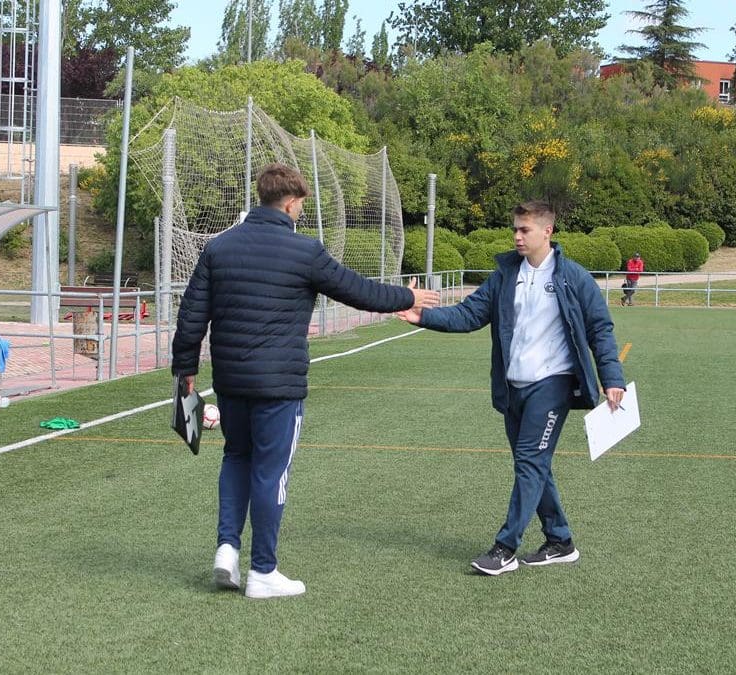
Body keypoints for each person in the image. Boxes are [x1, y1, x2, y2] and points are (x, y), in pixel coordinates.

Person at [171, 163, 440, 598]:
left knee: (236, 458)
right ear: (292, 203)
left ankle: (226, 549)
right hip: (279, 385)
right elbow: (356, 289)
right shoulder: (304, 251)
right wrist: (408, 296)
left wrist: (184, 372)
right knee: (270, 472)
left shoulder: (218, 249)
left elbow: (191, 316)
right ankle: (263, 571)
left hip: (231, 379)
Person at [396, 200, 625, 576]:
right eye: (515, 229)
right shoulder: (505, 274)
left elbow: (600, 329)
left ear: (547, 232)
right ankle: (560, 540)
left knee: (530, 463)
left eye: (525, 230)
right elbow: (470, 314)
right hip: (512, 386)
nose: (517, 236)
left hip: (553, 384)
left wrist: (612, 378)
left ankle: (505, 548)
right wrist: (423, 316)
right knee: (531, 464)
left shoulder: (574, 277)